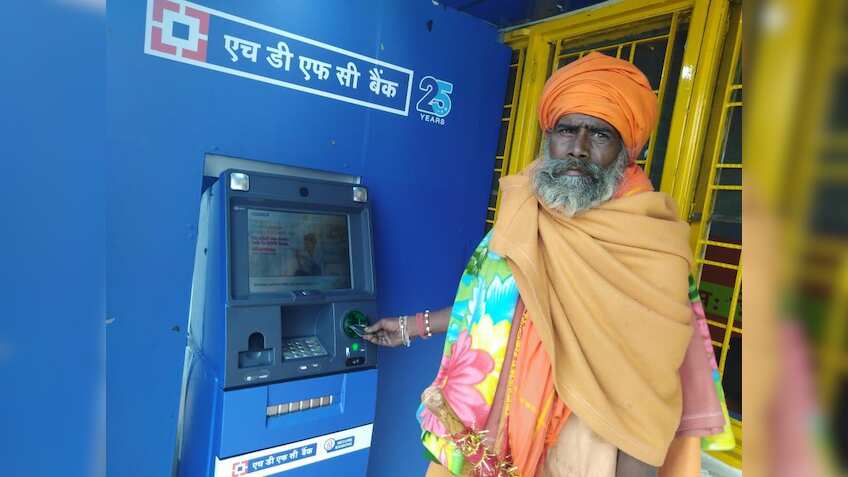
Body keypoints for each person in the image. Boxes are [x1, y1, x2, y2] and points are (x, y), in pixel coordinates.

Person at [363, 52, 730, 477]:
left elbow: (648, 403)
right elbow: (493, 301)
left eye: (600, 134)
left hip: (583, 450)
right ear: (548, 137)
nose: (578, 149)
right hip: (487, 437)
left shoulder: (652, 247)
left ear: (628, 150)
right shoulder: (525, 209)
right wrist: (413, 325)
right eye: (566, 130)